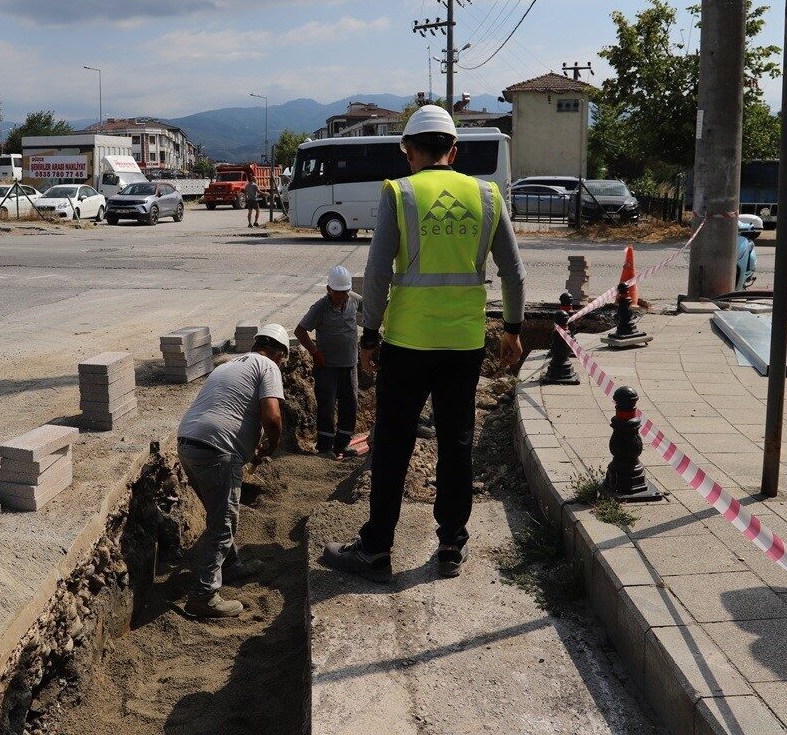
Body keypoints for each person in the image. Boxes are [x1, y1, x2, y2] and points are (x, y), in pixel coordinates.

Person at [322, 104, 526, 583]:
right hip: (464, 344)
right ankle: (452, 546)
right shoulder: (488, 194)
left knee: (393, 445)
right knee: (457, 444)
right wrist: (513, 330)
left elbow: (376, 274)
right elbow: (514, 272)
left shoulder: (401, 192)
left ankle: (375, 551)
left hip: (408, 345)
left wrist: (369, 334)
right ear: (453, 151)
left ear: (408, 150)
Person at [176, 323, 288, 618]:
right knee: (223, 521)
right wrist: (272, 443)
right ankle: (203, 595)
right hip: (217, 449)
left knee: (219, 512)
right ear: (279, 354)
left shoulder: (227, 365)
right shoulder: (268, 366)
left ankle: (230, 564)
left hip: (187, 443)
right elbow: (272, 414)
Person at [294, 265, 360, 459]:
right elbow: (300, 330)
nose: (342, 296)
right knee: (327, 405)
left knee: (350, 403)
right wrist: (314, 352)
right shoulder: (320, 307)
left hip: (349, 364)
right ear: (328, 289)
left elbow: (372, 309)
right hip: (327, 366)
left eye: (345, 292)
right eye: (337, 292)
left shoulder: (354, 300)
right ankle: (325, 447)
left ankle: (342, 445)